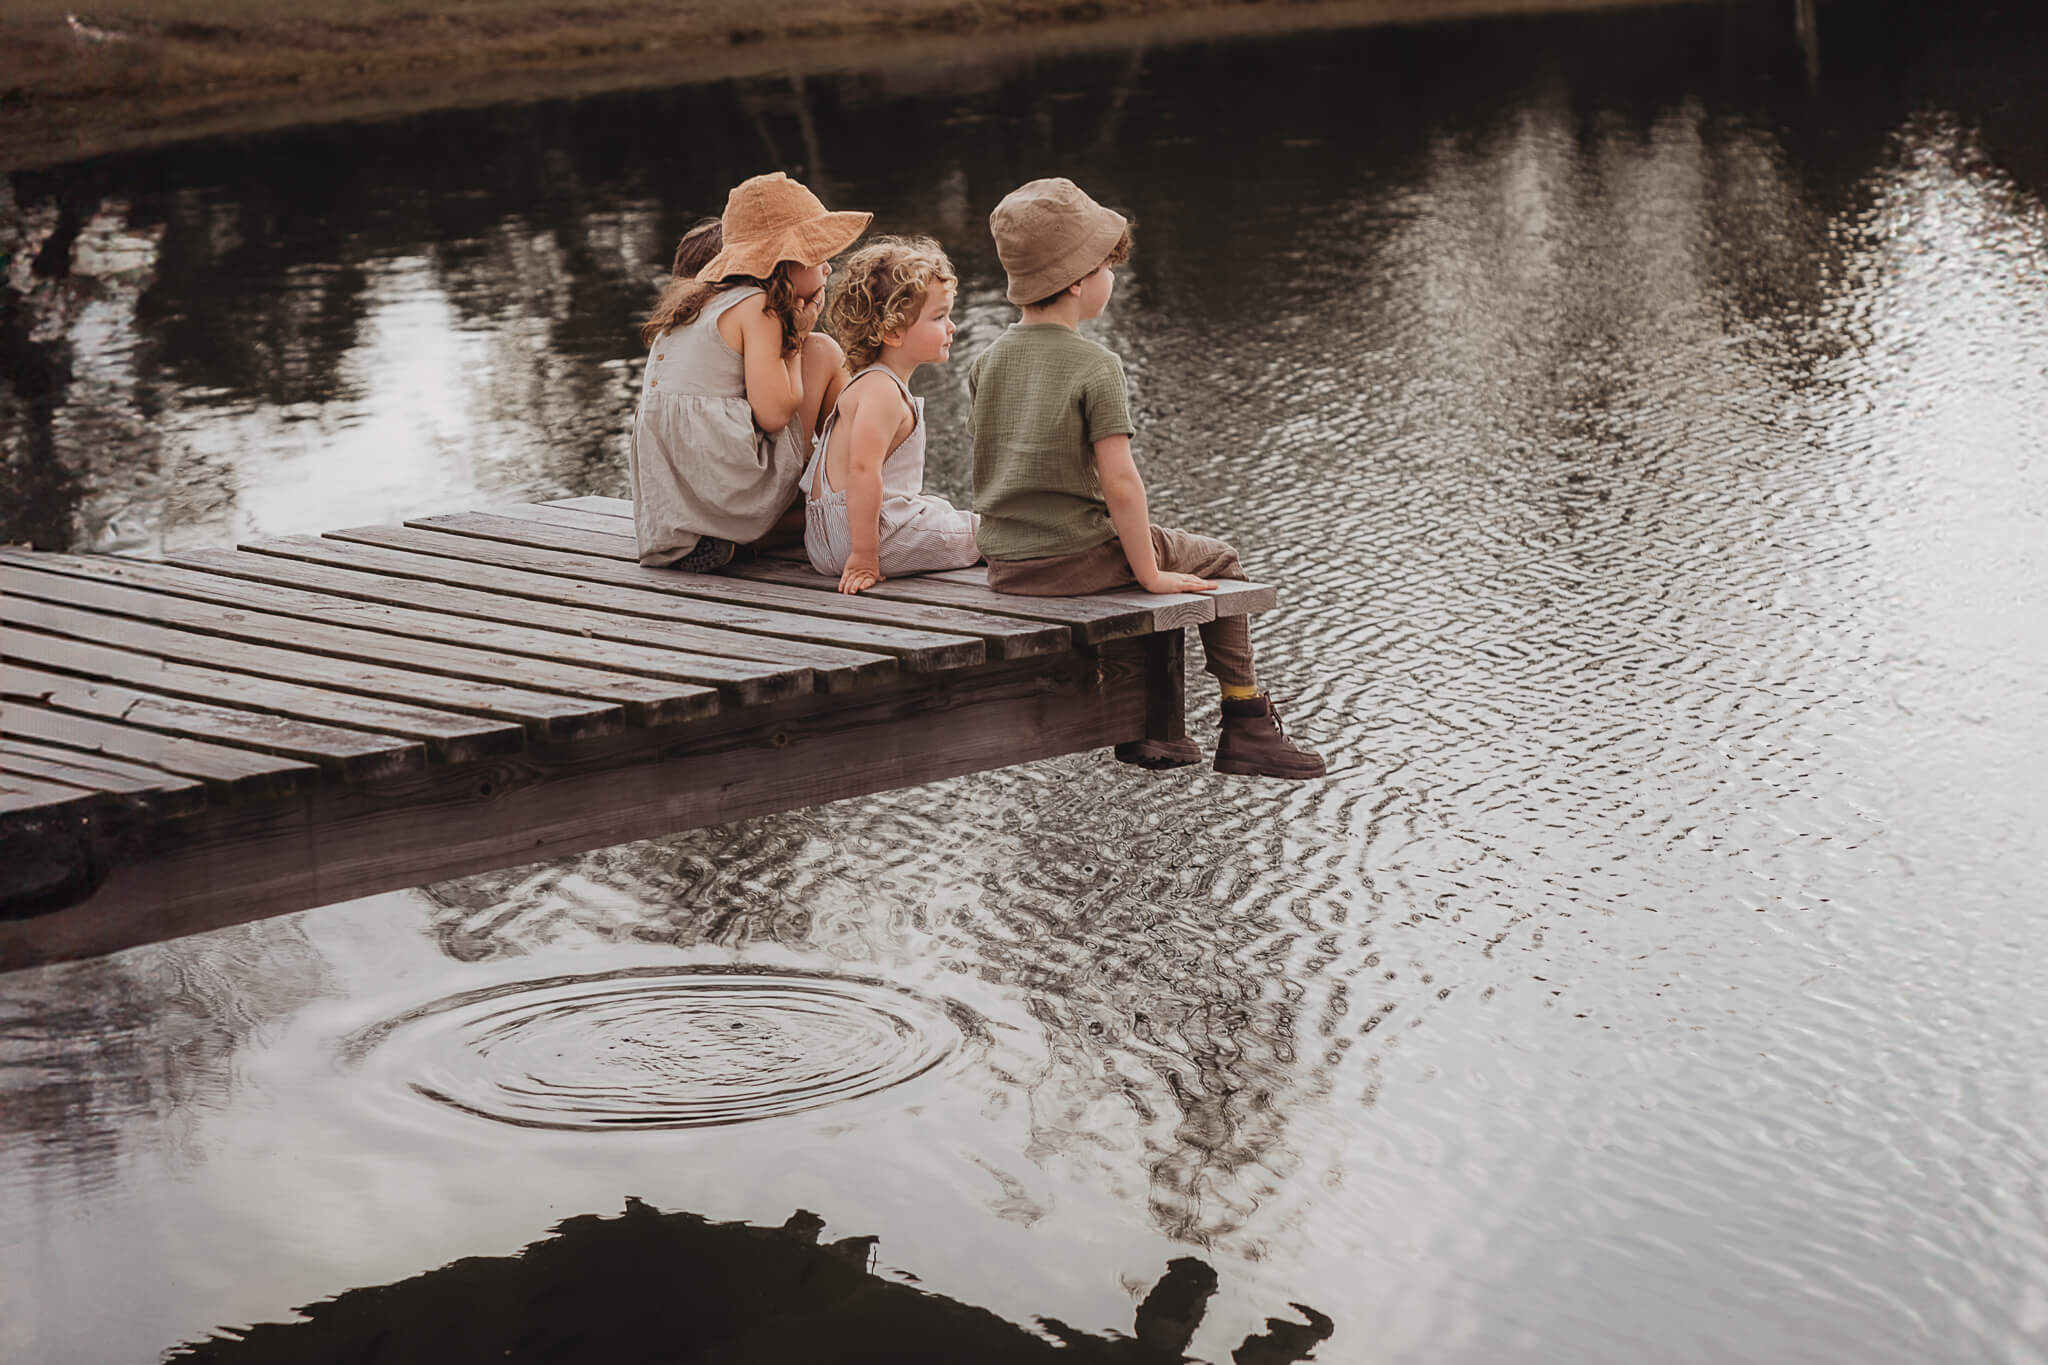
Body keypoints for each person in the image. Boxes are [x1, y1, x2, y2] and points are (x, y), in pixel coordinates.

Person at [968, 177, 1325, 779]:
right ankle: (1245, 723)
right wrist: (1150, 572)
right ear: (1079, 280)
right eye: (1109, 266)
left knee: (1154, 569)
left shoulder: (987, 360)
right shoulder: (1096, 366)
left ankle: (1159, 732)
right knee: (1216, 562)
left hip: (1007, 564)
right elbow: (1122, 483)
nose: (1114, 277)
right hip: (1076, 556)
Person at [630, 172, 870, 570]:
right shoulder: (759, 307)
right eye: (817, 255)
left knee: (816, 354)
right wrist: (797, 336)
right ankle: (854, 485)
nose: (828, 268)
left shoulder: (700, 303)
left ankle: (732, 538)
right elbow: (774, 413)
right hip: (728, 483)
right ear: (784, 264)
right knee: (824, 351)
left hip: (678, 502)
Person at [802, 236, 981, 594]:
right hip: (866, 542)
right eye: (939, 316)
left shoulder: (863, 383)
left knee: (937, 506)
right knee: (987, 532)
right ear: (893, 331)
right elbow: (862, 470)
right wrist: (865, 557)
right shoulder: (883, 391)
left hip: (824, 542)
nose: (952, 327)